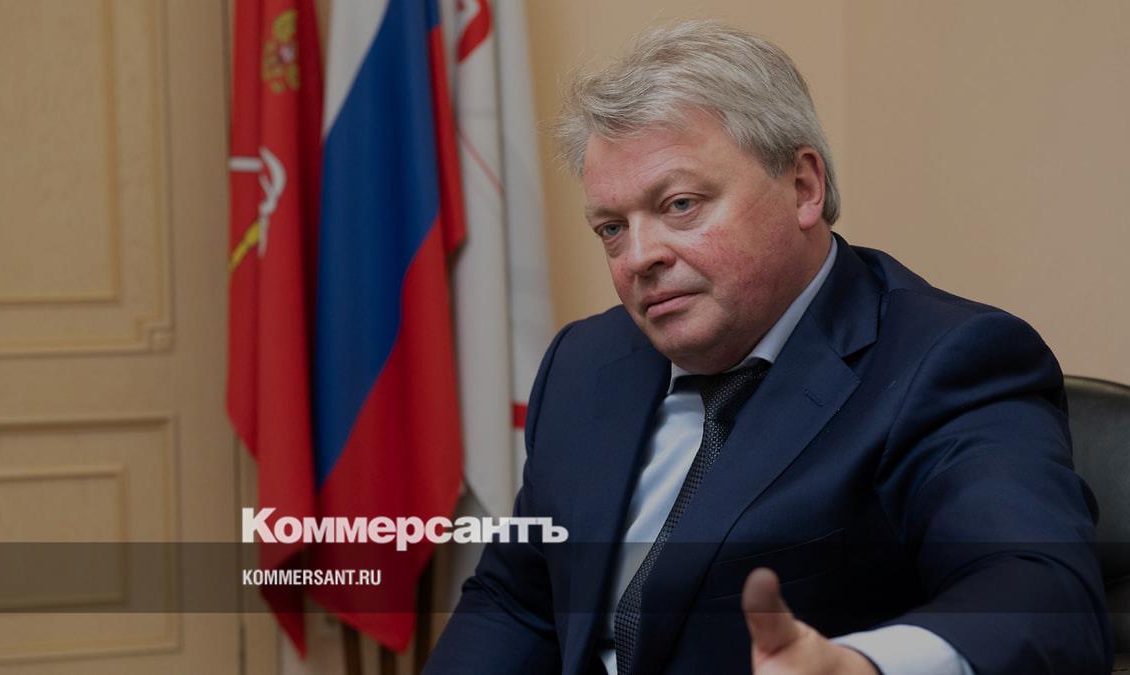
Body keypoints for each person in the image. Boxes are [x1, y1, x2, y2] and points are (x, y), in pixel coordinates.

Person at [424, 20, 1111, 675]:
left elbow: (1044, 595)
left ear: (804, 187)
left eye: (680, 205)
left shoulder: (948, 362)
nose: (638, 257)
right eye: (611, 228)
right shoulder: (584, 363)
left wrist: (866, 664)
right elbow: (519, 600)